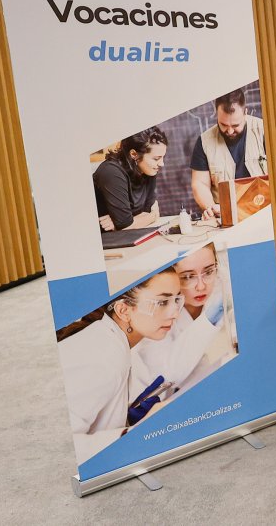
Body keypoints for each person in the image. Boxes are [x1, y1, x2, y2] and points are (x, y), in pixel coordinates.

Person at [56, 269, 183, 463]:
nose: (175, 312)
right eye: (162, 302)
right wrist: (135, 432)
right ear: (123, 310)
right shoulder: (104, 356)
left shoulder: (113, 342)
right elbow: (67, 447)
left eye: (176, 300)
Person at [134, 244, 229, 396]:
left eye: (208, 271)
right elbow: (166, 376)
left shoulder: (223, 283)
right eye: (187, 277)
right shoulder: (152, 313)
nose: (201, 286)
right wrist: (208, 320)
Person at [190, 87, 267, 221]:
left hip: (263, 211)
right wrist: (211, 208)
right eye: (223, 124)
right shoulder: (204, 142)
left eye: (236, 125)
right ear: (217, 115)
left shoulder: (265, 130)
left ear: (245, 112)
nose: (230, 131)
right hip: (225, 217)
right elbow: (199, 184)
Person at [93, 127, 167, 232]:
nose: (162, 164)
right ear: (134, 154)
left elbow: (147, 211)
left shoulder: (148, 170)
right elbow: (126, 226)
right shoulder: (111, 172)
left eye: (163, 157)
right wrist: (152, 216)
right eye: (156, 158)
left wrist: (120, 223)